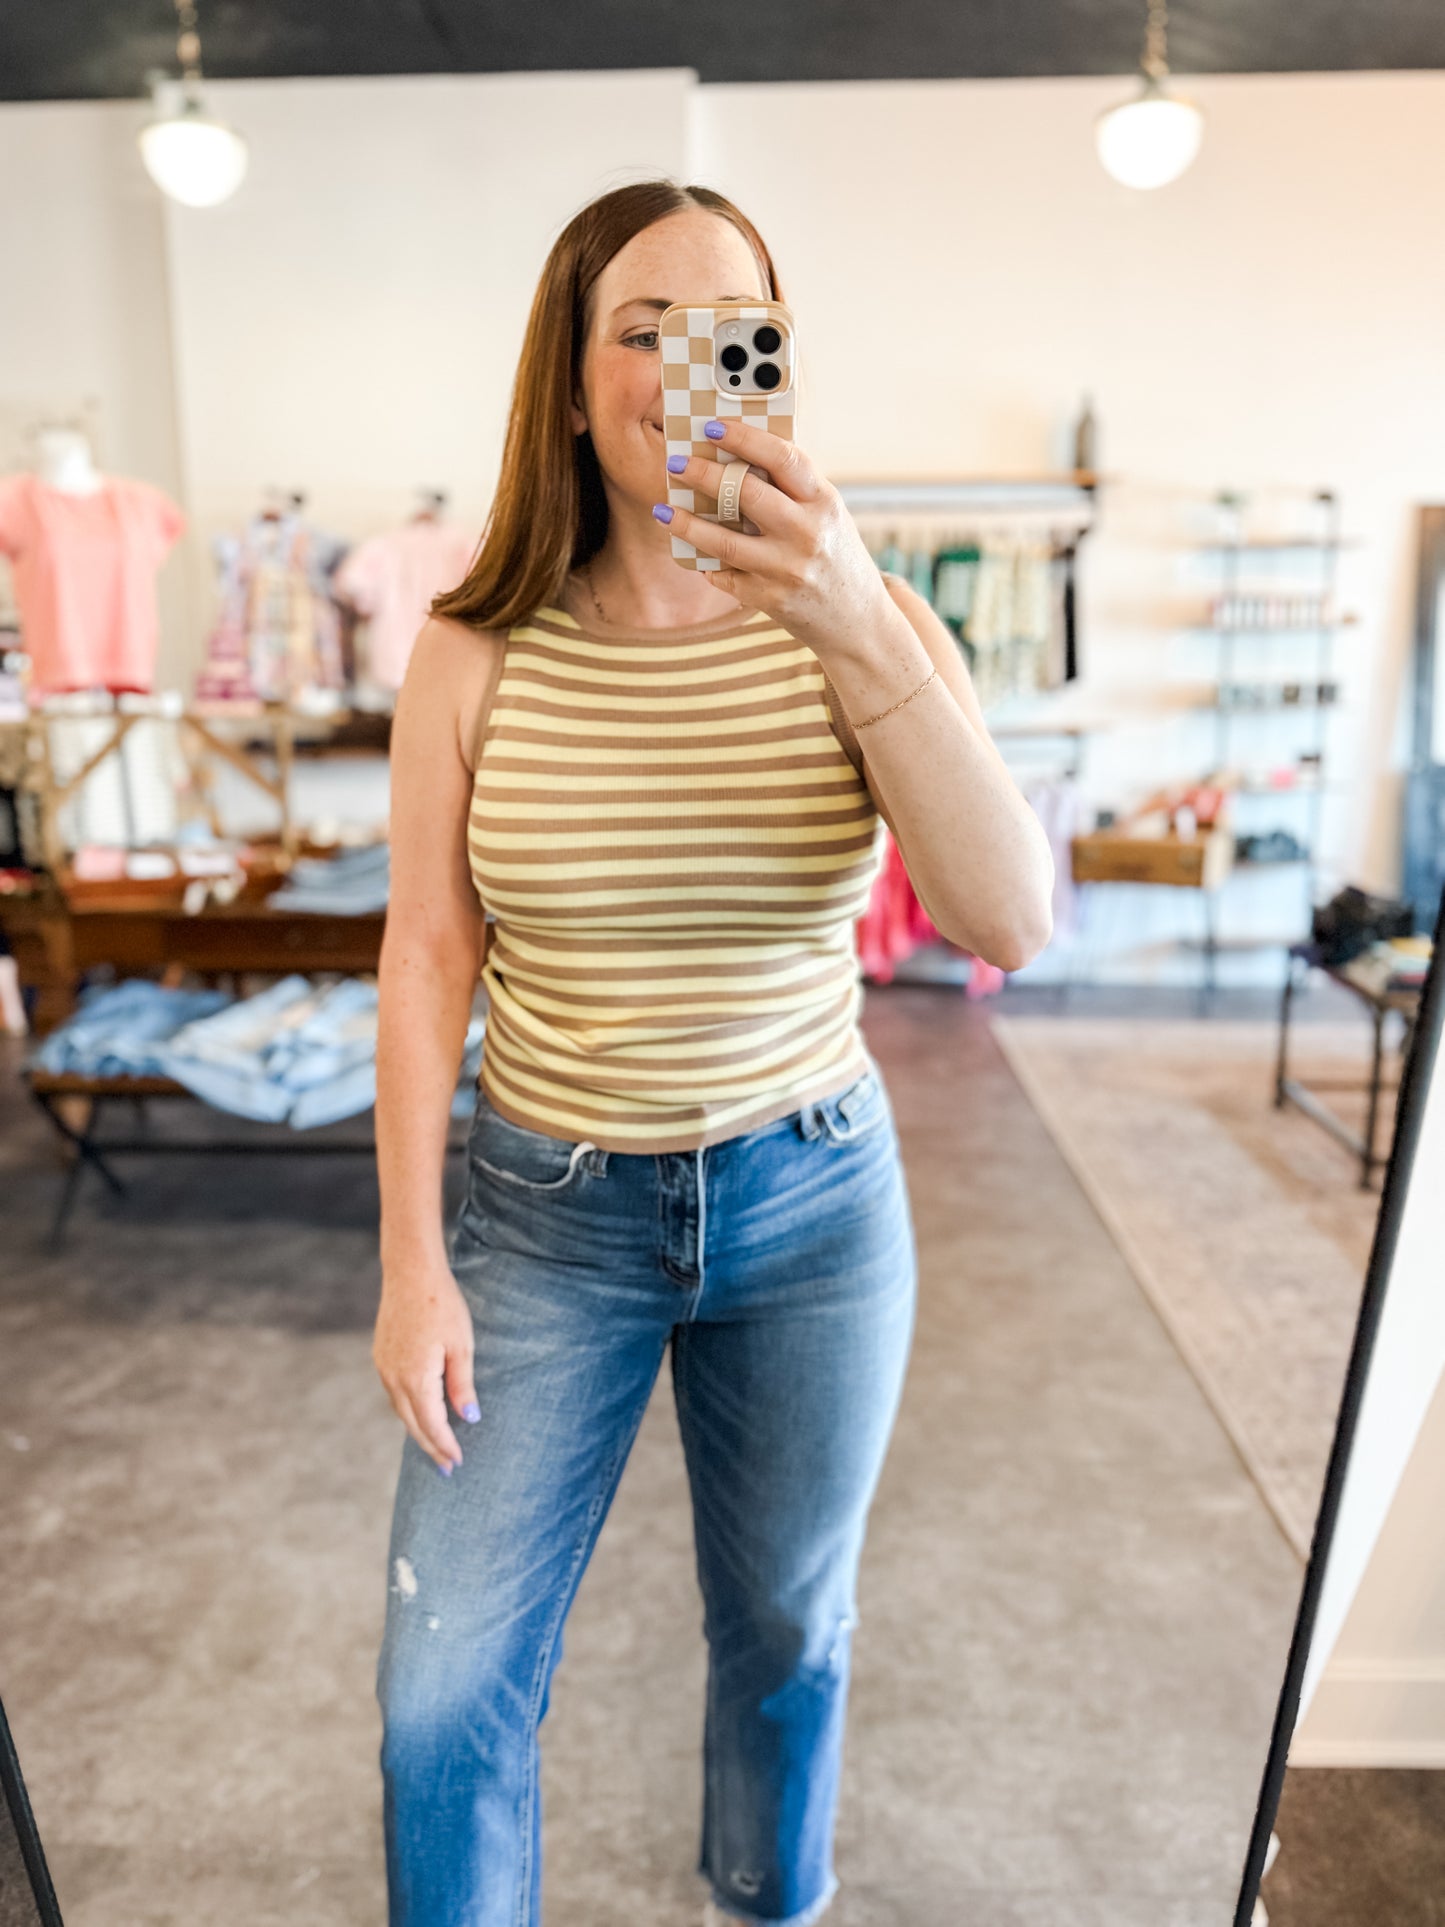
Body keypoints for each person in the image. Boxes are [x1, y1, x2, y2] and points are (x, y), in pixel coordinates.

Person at [370, 177, 1055, 1927]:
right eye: (642, 329)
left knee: (785, 1631)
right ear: (570, 377)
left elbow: (1006, 918)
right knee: (443, 1695)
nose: (689, 364)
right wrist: (410, 1263)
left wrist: (852, 618)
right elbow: (428, 948)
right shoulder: (470, 649)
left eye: (731, 329)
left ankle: (769, 1899)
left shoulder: (863, 616)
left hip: (810, 1206)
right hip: (544, 1221)